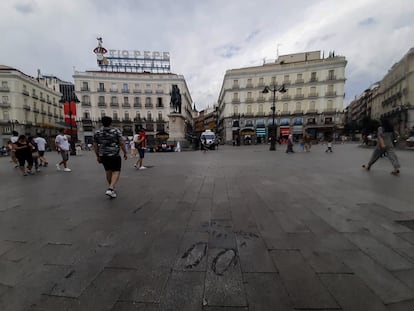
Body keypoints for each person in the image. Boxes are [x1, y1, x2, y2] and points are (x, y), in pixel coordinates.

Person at [93, 116, 128, 198]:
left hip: (103, 155)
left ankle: (111, 189)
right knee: (116, 171)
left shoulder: (97, 132)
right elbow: (122, 143)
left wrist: (97, 156)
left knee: (108, 171)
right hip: (114, 155)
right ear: (111, 122)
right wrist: (125, 153)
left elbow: (95, 145)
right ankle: (111, 188)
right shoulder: (116, 131)